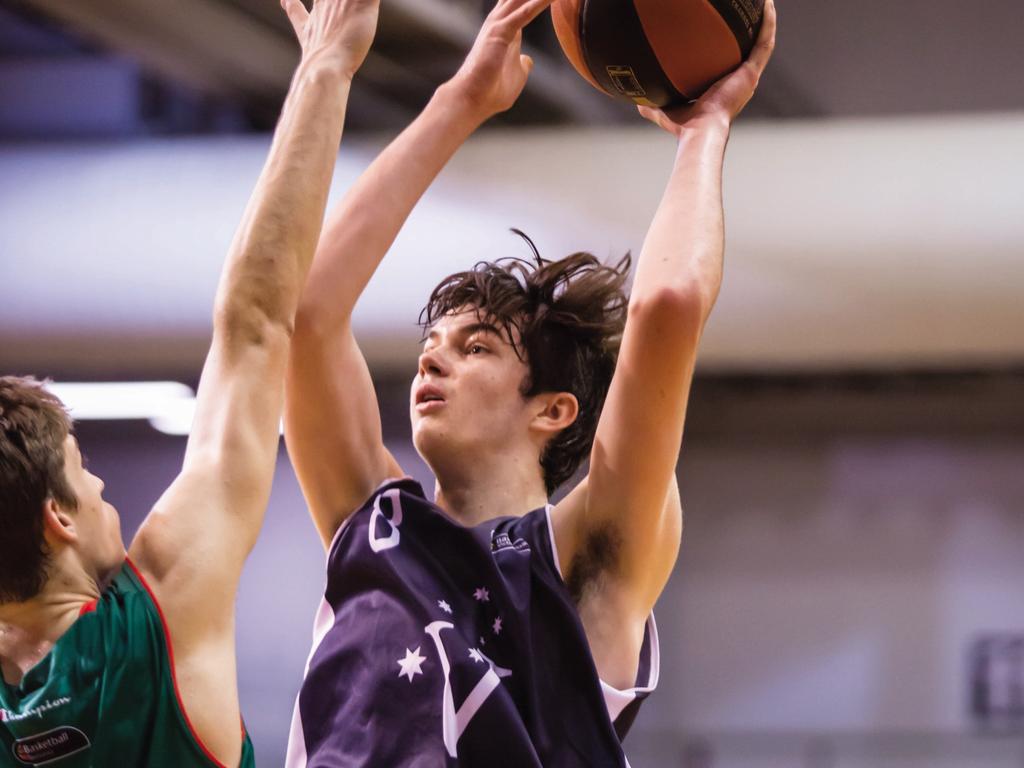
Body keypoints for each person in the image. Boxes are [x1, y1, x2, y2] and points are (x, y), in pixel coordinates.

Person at [284, 0, 777, 765]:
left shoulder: (588, 556)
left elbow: (669, 304)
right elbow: (306, 315)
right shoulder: (377, 526)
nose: (431, 359)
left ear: (553, 409)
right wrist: (460, 100)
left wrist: (706, 127)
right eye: (432, 344)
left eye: (474, 347)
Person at [0, 0, 379, 764]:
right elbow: (256, 323)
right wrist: (326, 68)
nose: (104, 486)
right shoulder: (162, 612)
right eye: (84, 472)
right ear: (58, 519)